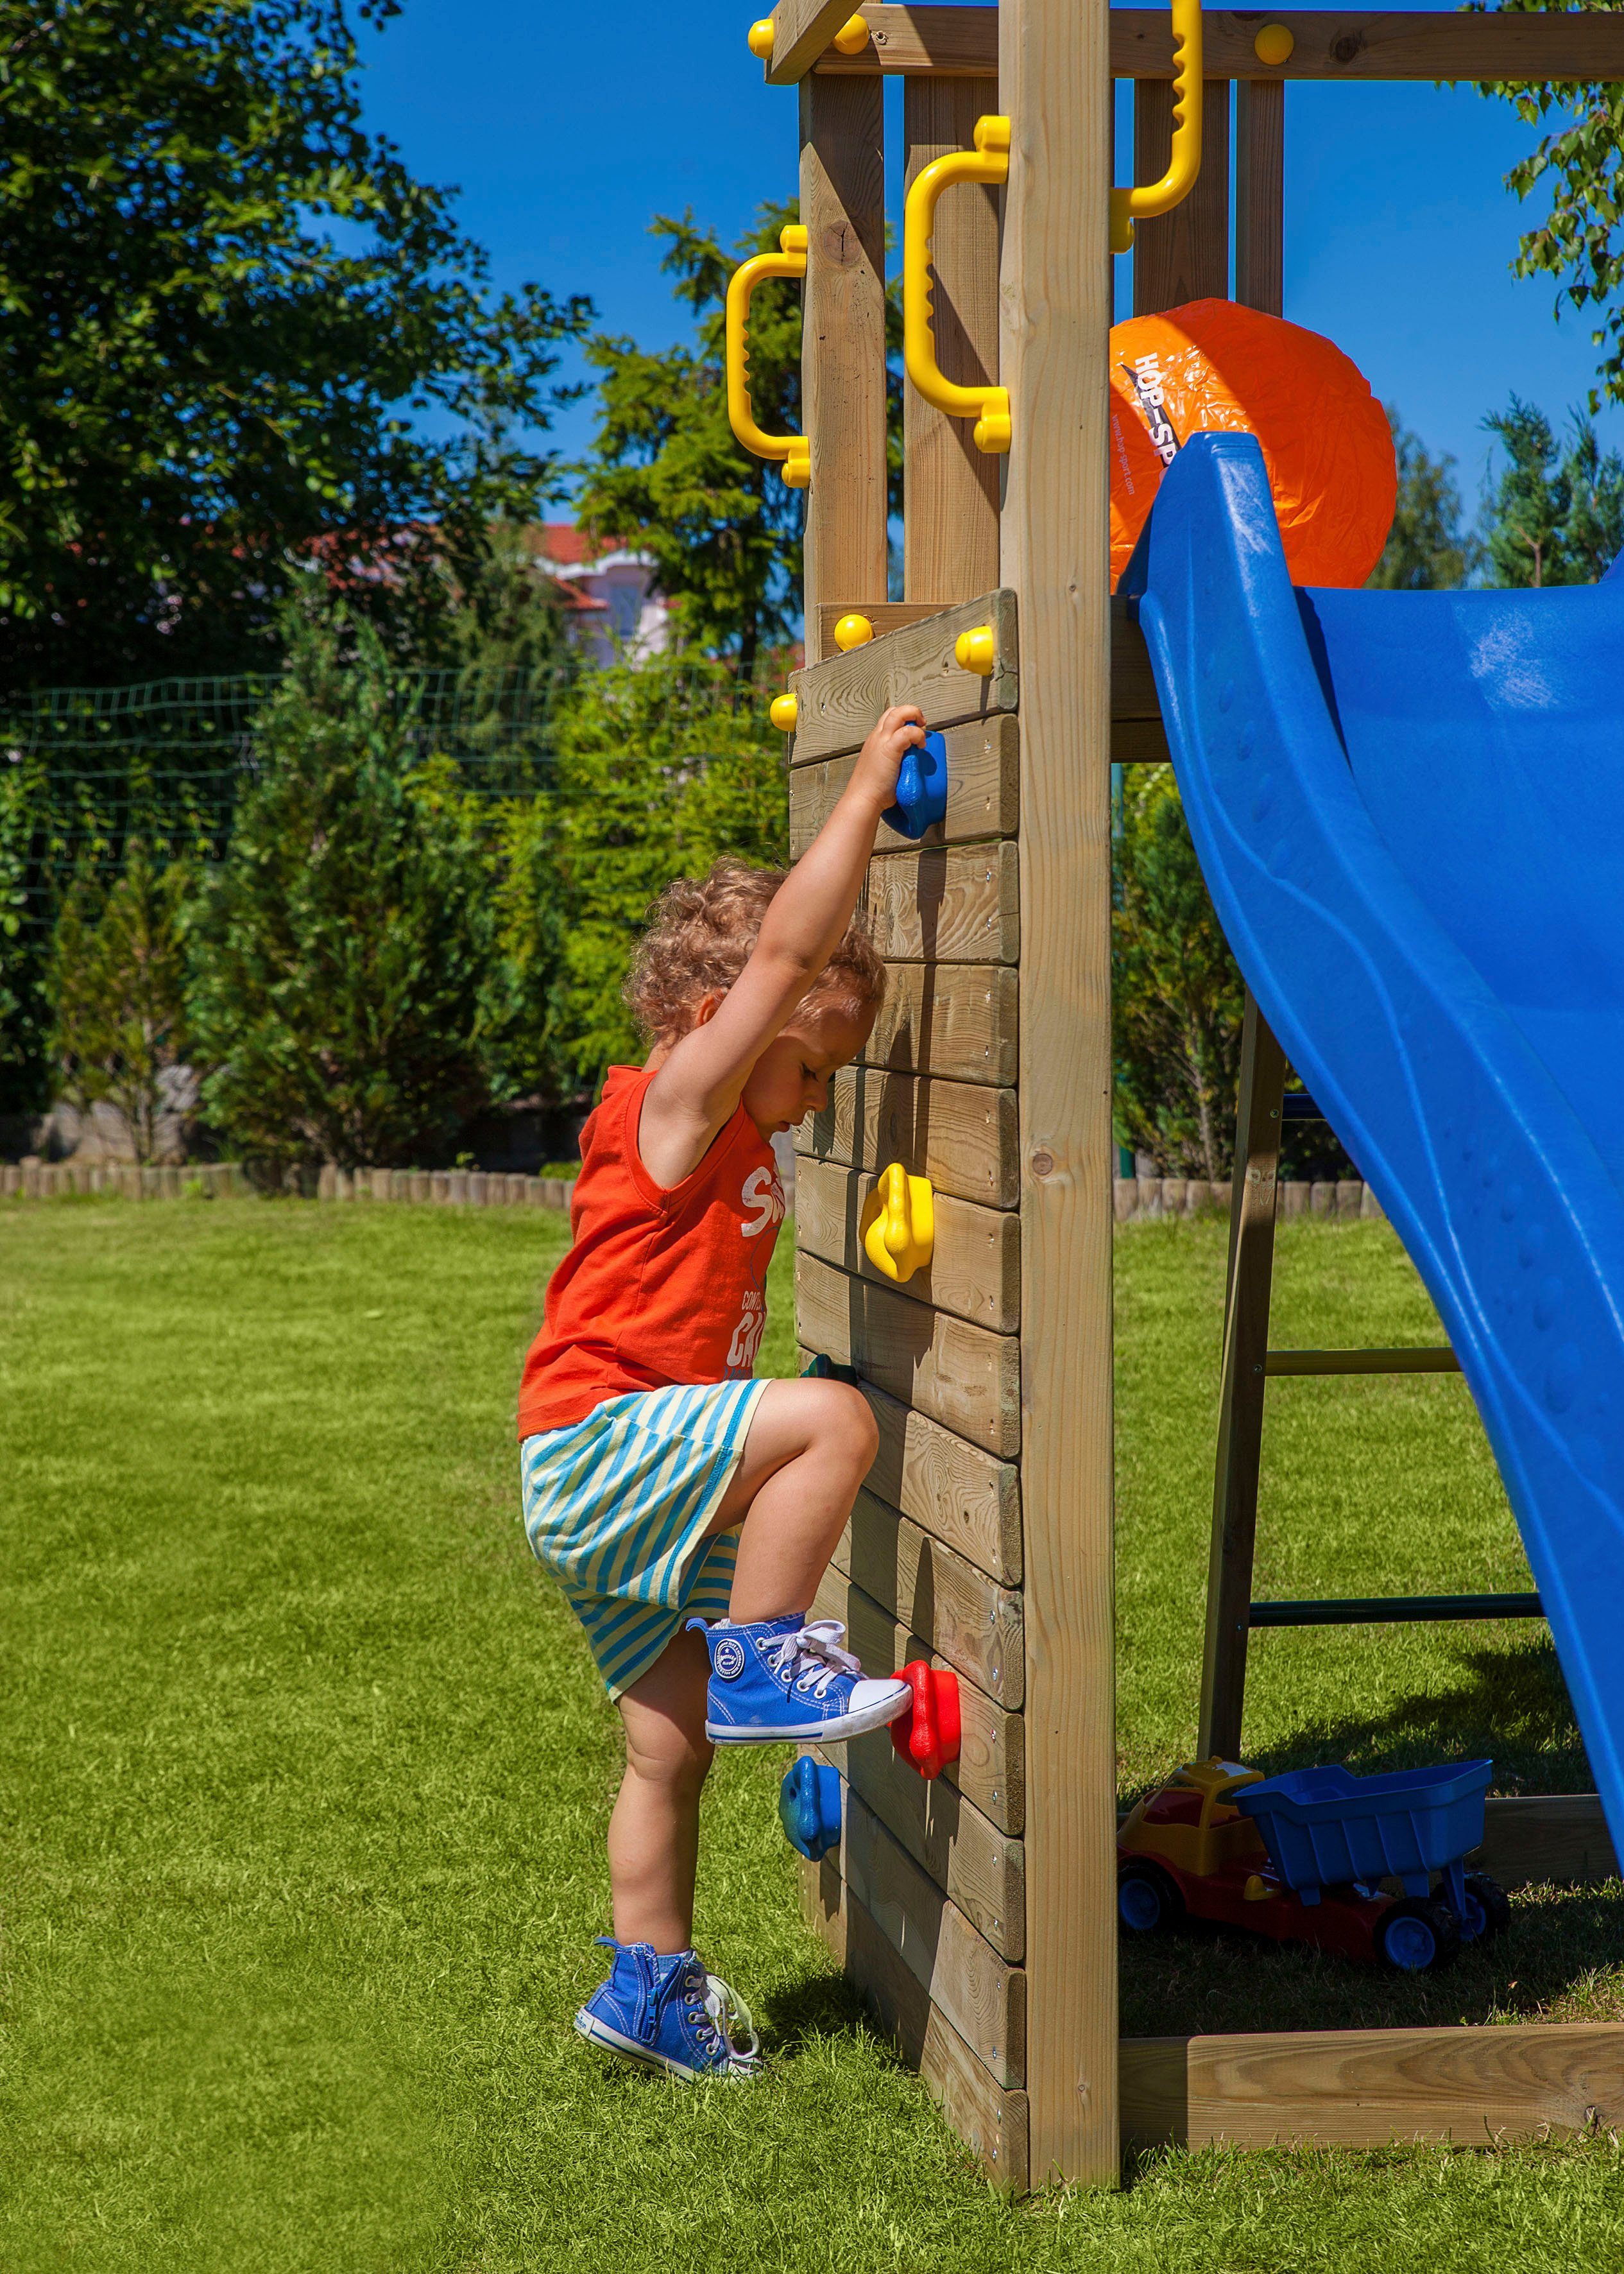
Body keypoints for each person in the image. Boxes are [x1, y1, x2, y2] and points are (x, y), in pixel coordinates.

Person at [517, 702, 929, 2085]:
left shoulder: (731, 1116)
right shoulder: (678, 1101)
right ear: (720, 1021)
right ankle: (765, 1661)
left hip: (592, 1486)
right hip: (596, 1446)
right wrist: (868, 791)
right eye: (810, 1061)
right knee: (839, 1420)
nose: (815, 1096)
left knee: (663, 1746)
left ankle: (647, 1983)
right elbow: (790, 949)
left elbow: (796, 975)